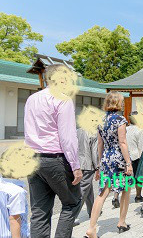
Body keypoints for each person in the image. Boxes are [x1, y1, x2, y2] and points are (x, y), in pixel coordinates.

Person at [24, 64, 82, 238]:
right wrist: (76, 166)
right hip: (55, 158)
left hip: (33, 158)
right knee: (72, 202)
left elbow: (27, 129)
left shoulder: (32, 99)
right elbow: (67, 137)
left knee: (39, 211)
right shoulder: (63, 100)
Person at [85, 92, 133, 237]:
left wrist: (100, 164)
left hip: (106, 158)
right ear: (118, 103)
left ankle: (92, 227)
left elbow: (100, 143)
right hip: (119, 159)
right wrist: (129, 163)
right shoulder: (120, 120)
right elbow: (122, 142)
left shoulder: (101, 120)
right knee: (126, 188)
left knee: (102, 193)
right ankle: (122, 222)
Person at [74, 127, 99, 225]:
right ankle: (73, 216)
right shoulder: (93, 132)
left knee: (88, 188)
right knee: (83, 190)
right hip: (88, 164)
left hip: (78, 163)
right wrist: (98, 167)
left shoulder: (78, 130)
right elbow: (94, 152)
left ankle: (92, 211)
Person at [126, 111, 143, 203]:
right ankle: (138, 196)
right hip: (136, 156)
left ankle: (116, 197)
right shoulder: (140, 130)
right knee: (138, 177)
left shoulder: (125, 129)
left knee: (123, 177)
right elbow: (141, 146)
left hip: (125, 156)